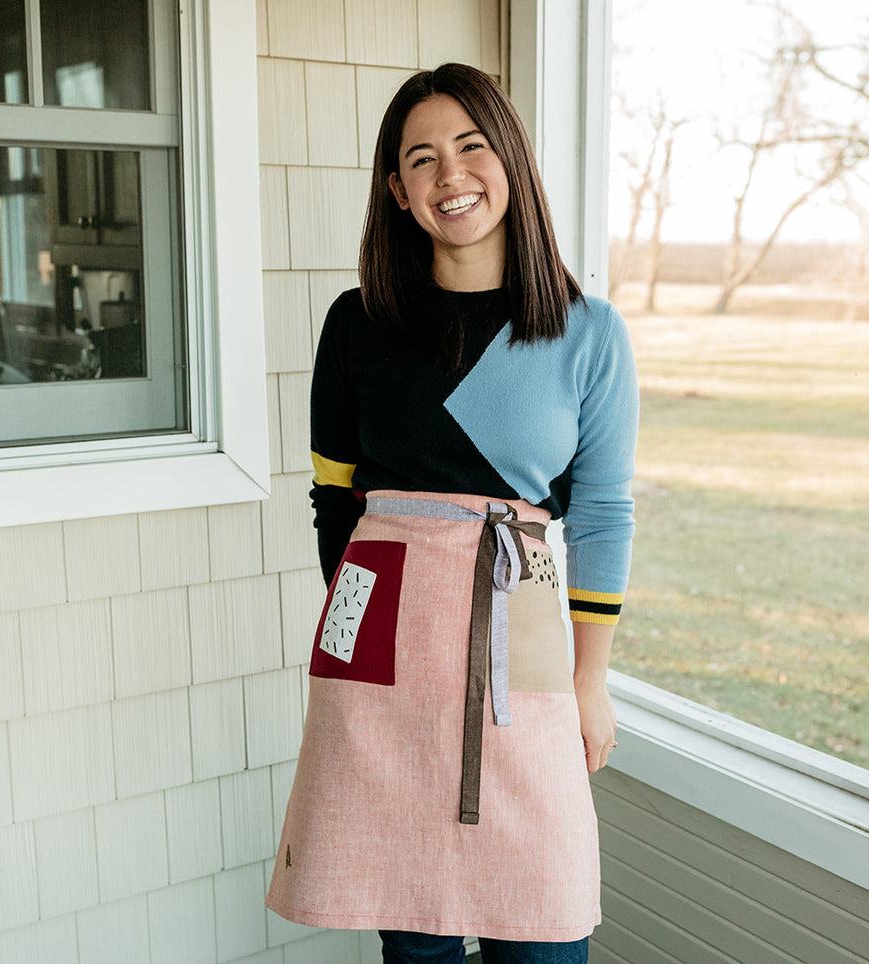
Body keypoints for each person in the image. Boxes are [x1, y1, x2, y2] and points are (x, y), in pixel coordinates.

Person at [265, 62, 638, 964]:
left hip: (524, 636)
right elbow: (333, 499)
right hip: (381, 649)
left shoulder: (585, 331)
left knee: (544, 927)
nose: (450, 175)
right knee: (416, 933)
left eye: (470, 146)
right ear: (396, 190)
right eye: (421, 159)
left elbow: (601, 511)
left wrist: (590, 679)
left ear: (508, 158)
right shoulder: (357, 323)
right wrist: (361, 644)